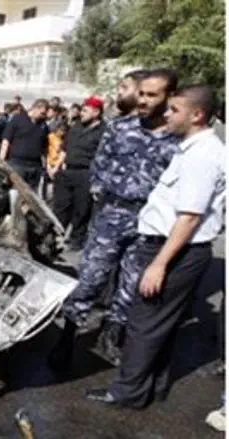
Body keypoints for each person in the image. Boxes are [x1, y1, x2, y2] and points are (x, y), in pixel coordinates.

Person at [85, 85, 225, 409]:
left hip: (173, 250)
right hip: (177, 249)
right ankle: (153, 387)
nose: (166, 114)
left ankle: (127, 393)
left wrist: (159, 264)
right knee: (161, 324)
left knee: (144, 325)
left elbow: (189, 218)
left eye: (174, 110)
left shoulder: (202, 156)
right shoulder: (196, 148)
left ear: (197, 114)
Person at [50, 69, 181, 371]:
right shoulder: (121, 127)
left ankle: (112, 336)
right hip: (111, 215)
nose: (143, 100)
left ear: (169, 97)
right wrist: (104, 194)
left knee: (131, 284)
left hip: (149, 221)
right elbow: (100, 165)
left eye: (152, 95)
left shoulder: (177, 138)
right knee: (90, 277)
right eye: (142, 93)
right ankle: (67, 337)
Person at [53, 96, 107, 250]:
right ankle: (54, 236)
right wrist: (56, 166)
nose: (81, 113)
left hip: (86, 174)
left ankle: (76, 241)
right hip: (67, 171)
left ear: (96, 112)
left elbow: (102, 157)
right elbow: (65, 148)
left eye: (85, 110)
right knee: (61, 207)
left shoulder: (103, 131)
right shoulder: (76, 126)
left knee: (81, 209)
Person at [0, 98, 50, 189]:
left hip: (35, 167)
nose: (44, 116)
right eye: (42, 113)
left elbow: (44, 148)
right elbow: (6, 140)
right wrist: (2, 161)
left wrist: (45, 166)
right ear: (35, 108)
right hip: (17, 165)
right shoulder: (18, 119)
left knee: (31, 196)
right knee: (15, 192)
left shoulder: (44, 126)